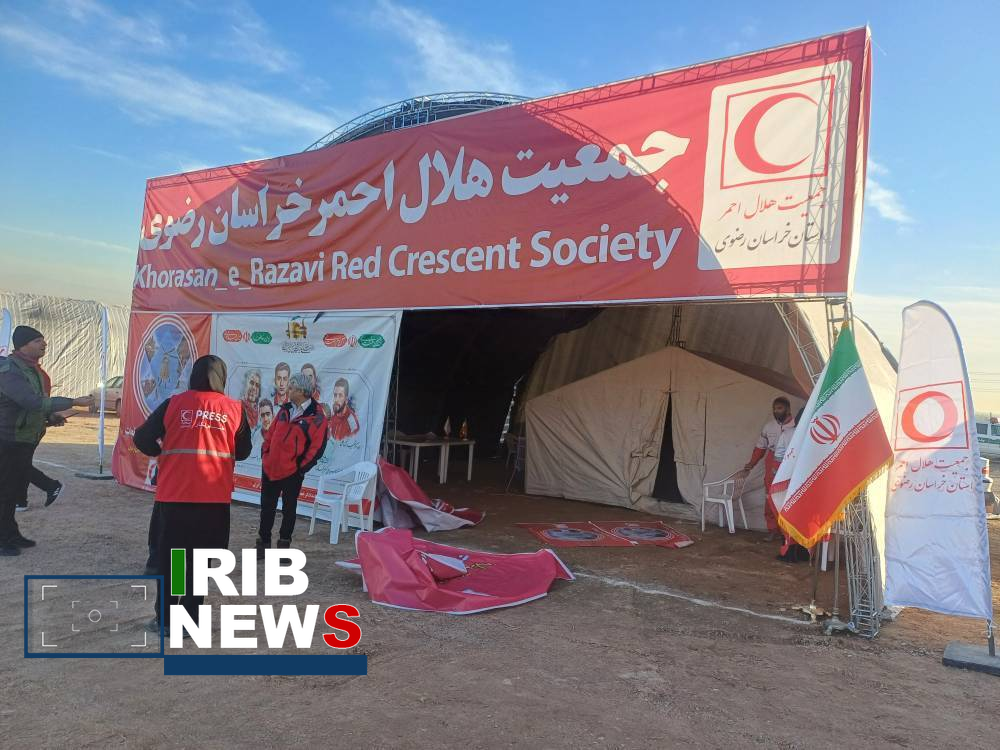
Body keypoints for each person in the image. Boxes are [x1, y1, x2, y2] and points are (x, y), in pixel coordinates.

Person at [134, 355, 252, 634]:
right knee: (200, 563)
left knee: (174, 559)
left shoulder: (174, 404)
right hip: (213, 501)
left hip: (175, 497)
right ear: (222, 378)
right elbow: (243, 451)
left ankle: (166, 620)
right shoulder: (234, 409)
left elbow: (142, 438)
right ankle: (189, 620)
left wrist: (161, 451)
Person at [0, 326, 92, 555]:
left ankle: (11, 534)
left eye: (43, 340)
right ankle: (3, 540)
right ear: (23, 345)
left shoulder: (33, 370)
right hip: (8, 438)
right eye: (37, 341)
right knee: (6, 490)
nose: (44, 344)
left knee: (13, 489)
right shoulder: (10, 369)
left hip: (25, 438)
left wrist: (50, 417)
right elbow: (30, 401)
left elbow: (36, 404)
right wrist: (73, 401)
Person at [257, 373, 328, 558]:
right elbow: (270, 433)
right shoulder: (285, 409)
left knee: (289, 510)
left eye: (291, 388)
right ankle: (263, 544)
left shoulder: (317, 416)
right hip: (270, 468)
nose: (287, 391)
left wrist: (300, 468)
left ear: (302, 391)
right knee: (266, 508)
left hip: (292, 473)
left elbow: (317, 448)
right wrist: (266, 454)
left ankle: (283, 547)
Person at [743, 396, 795, 542]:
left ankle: (788, 532)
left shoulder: (797, 425)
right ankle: (773, 529)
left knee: (788, 497)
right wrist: (751, 463)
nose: (776, 411)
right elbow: (760, 447)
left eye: (780, 408)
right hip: (772, 461)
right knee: (770, 496)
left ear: (788, 409)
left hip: (790, 461)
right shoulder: (769, 426)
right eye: (774, 408)